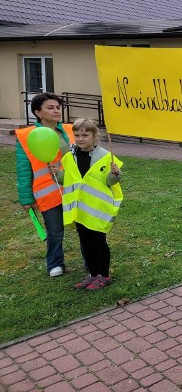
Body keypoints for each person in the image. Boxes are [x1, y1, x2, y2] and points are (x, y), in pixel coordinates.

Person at [50, 118, 122, 290]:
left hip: (97, 208)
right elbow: (67, 180)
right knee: (85, 242)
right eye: (77, 135)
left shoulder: (105, 156)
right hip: (79, 209)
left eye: (85, 135)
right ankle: (92, 274)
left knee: (98, 241)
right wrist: (56, 174)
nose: (80, 139)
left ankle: (103, 275)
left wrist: (115, 174)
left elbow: (110, 181)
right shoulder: (69, 157)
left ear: (94, 135)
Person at [15, 92, 75, 277]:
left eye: (58, 107)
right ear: (38, 112)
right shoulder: (26, 136)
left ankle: (91, 262)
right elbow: (23, 169)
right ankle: (55, 263)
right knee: (55, 231)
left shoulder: (71, 130)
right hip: (48, 192)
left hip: (74, 188)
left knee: (84, 227)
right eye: (50, 108)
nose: (56, 111)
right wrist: (26, 198)